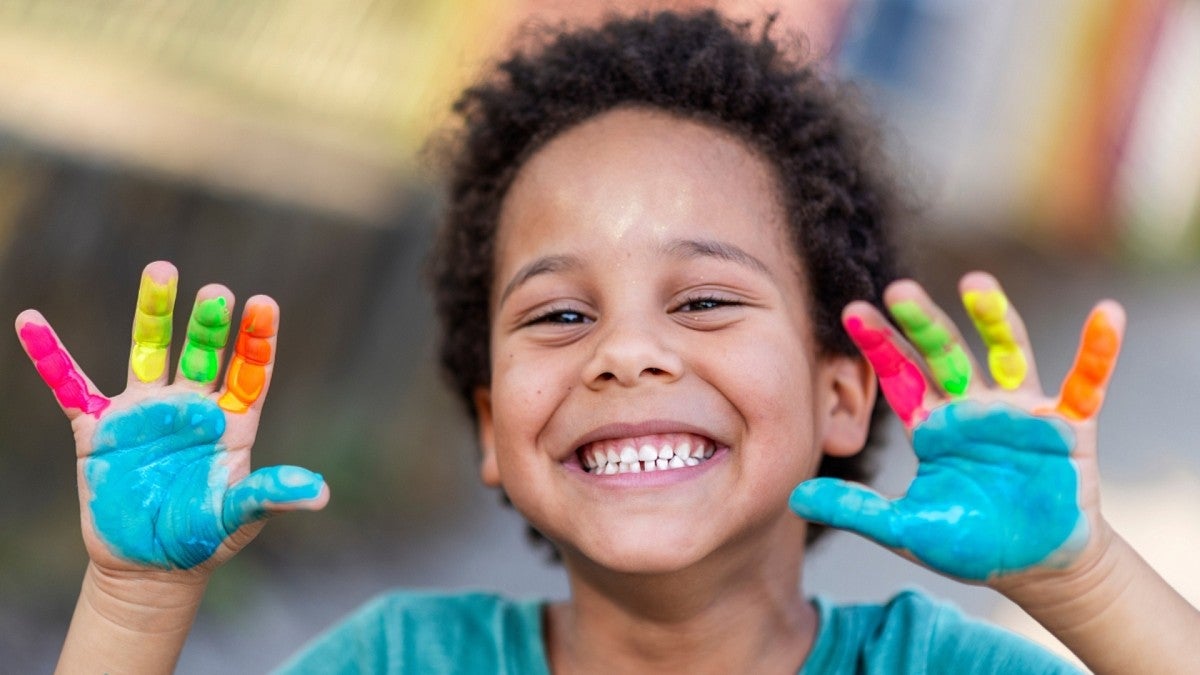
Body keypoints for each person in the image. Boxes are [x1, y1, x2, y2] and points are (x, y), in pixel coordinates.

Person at [15, 10, 1198, 674]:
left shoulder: (950, 674)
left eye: (704, 302)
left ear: (844, 398)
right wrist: (134, 598)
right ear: (491, 428)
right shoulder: (401, 661)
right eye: (560, 314)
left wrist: (1079, 578)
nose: (623, 355)